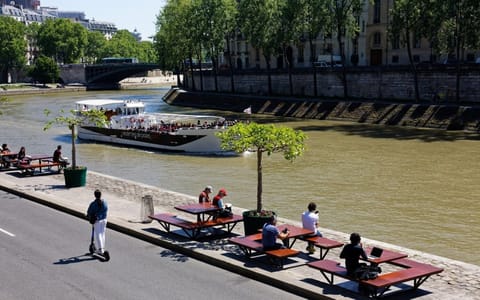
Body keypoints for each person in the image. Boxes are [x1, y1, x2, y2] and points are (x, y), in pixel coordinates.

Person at [86, 189, 108, 255]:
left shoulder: (93, 204)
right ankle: (102, 248)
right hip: (104, 220)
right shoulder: (105, 203)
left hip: (97, 221)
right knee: (103, 234)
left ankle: (101, 250)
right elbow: (105, 210)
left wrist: (89, 216)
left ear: (95, 195)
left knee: (98, 235)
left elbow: (89, 212)